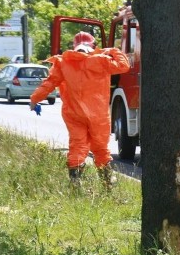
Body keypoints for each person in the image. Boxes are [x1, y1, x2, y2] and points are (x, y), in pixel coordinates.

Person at [30, 32, 130, 188]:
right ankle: (107, 184)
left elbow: (49, 83)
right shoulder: (102, 61)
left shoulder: (63, 63)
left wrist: (34, 99)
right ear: (93, 45)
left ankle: (75, 182)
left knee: (77, 145)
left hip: (74, 114)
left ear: (74, 46)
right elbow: (124, 66)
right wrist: (113, 50)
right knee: (101, 149)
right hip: (99, 115)